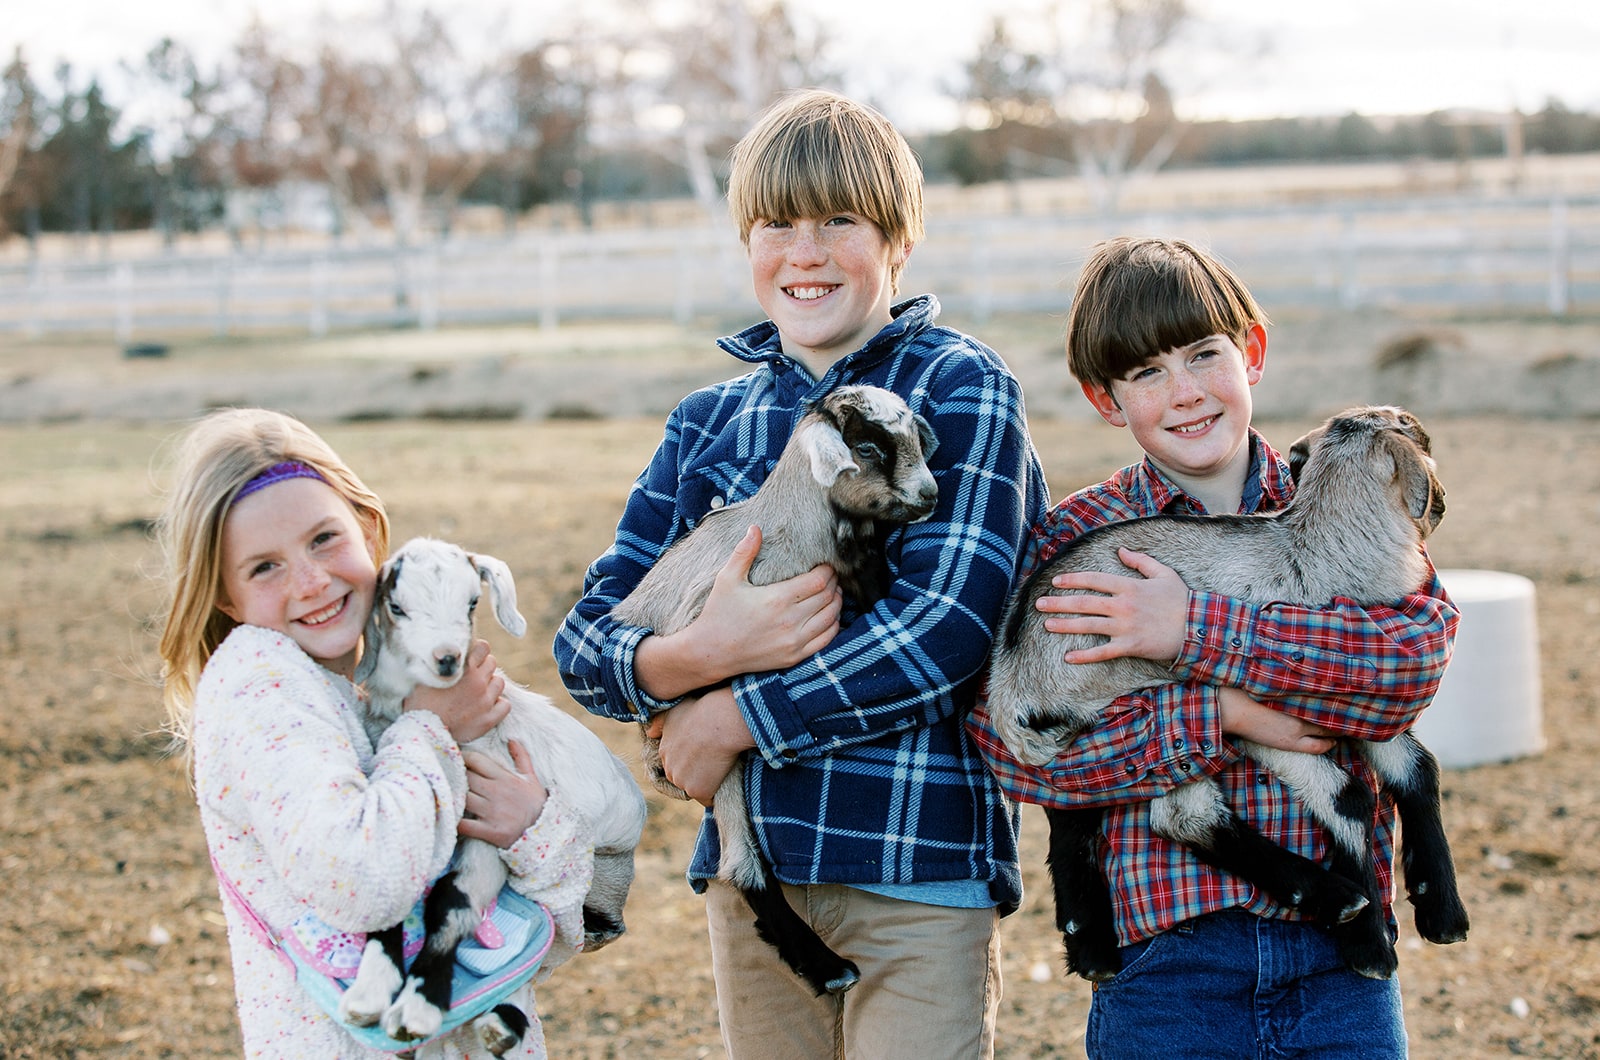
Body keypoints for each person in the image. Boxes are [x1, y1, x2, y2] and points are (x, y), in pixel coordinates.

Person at [555, 88, 1049, 1059]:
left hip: (915, 865)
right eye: (777, 223)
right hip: (755, 882)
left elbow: (945, 627)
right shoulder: (708, 422)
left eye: (839, 221)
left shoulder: (959, 386)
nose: (806, 251)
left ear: (897, 239)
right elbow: (585, 639)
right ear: (748, 240)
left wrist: (733, 715)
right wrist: (689, 657)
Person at [966, 236, 1460, 1058]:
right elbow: (1019, 751)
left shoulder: (1348, 499)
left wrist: (1195, 630)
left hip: (1344, 967)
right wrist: (1223, 713)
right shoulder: (1080, 540)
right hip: (1169, 964)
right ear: (1105, 399)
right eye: (1147, 373)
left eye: (1204, 354)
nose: (1186, 392)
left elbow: (1407, 668)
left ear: (1252, 352)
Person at [156, 407, 595, 1058]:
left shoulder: (374, 690)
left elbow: (561, 931)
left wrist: (531, 831)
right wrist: (430, 730)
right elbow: (360, 881)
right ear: (225, 597)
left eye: (324, 539)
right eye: (264, 567)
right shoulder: (260, 686)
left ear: (368, 531)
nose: (311, 581)